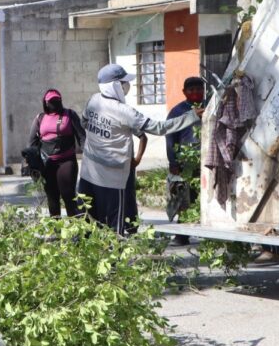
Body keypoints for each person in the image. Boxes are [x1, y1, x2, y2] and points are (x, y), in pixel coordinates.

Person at [79, 64, 203, 234]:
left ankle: (93, 258)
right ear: (116, 86)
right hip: (112, 179)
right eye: (124, 83)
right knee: (115, 227)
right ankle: (114, 260)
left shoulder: (94, 101)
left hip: (88, 173)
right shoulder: (124, 112)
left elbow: (84, 122)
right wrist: (193, 115)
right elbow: (159, 128)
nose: (127, 87)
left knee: (89, 223)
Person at [27, 89, 86, 217]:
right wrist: (32, 165)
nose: (55, 103)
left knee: (68, 195)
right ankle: (56, 231)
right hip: (47, 163)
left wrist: (88, 155)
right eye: (51, 101)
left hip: (66, 161)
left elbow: (82, 137)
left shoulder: (70, 115)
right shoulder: (40, 118)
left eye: (57, 100)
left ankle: (76, 231)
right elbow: (32, 143)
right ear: (46, 103)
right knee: (52, 197)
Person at [165, 76, 206, 246]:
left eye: (199, 89)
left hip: (207, 159)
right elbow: (170, 138)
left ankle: (211, 234)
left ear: (204, 91)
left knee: (206, 197)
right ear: (184, 92)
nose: (195, 92)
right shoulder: (177, 112)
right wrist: (173, 162)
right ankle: (182, 235)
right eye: (191, 90)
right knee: (184, 197)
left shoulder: (211, 106)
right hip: (185, 162)